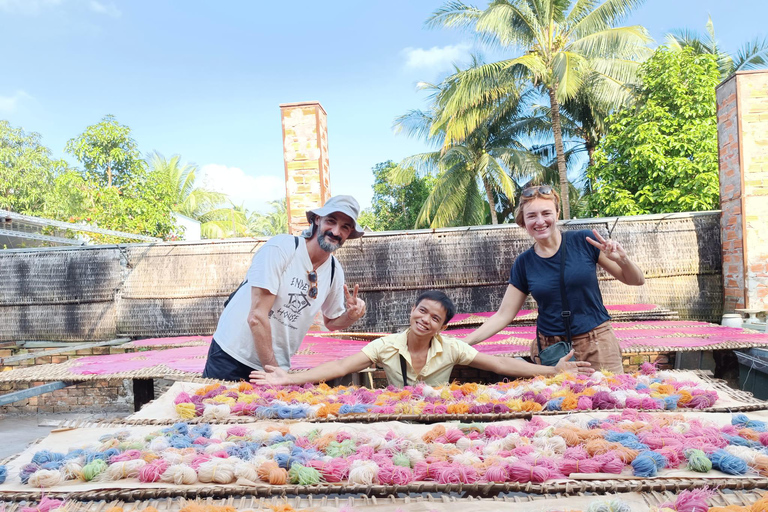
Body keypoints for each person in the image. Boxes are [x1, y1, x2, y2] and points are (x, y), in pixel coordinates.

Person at [462, 185, 645, 373]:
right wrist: (464, 342)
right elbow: (504, 315)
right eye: (531, 216)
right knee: (557, 402)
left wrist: (623, 261)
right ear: (523, 222)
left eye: (546, 213)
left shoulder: (585, 241)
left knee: (610, 398)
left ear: (557, 214)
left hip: (597, 342)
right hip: (551, 349)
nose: (540, 221)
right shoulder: (524, 263)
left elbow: (636, 280)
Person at [249, 290, 591, 387]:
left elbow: (502, 363)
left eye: (435, 318)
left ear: (442, 327)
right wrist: (288, 379)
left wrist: (554, 373)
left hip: (440, 413)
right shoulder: (386, 346)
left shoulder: (453, 348)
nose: (425, 320)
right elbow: (340, 364)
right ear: (413, 310)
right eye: (422, 311)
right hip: (401, 416)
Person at [202, 195, 367, 381]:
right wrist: (276, 373)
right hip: (232, 355)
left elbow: (331, 322)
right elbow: (256, 317)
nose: (336, 232)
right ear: (317, 220)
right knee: (217, 409)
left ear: (349, 233)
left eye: (345, 227)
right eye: (331, 221)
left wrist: (351, 316)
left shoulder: (334, 272)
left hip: (276, 367)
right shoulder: (281, 249)